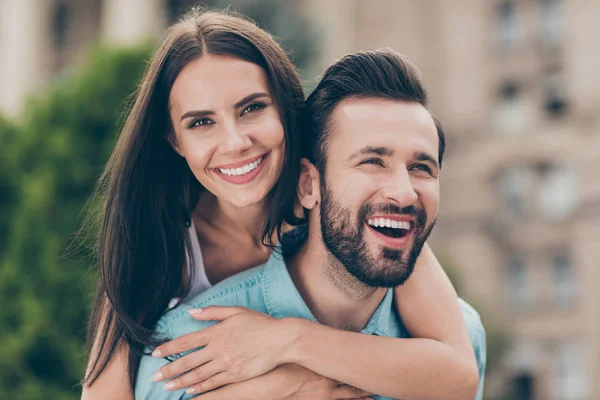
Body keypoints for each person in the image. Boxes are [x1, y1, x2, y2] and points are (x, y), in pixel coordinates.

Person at [82, 8, 482, 400]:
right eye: (201, 122)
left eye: (252, 108)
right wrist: (293, 384)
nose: (235, 142)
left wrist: (289, 340)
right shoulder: (157, 239)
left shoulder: (344, 204)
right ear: (175, 141)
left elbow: (458, 373)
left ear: (286, 111)